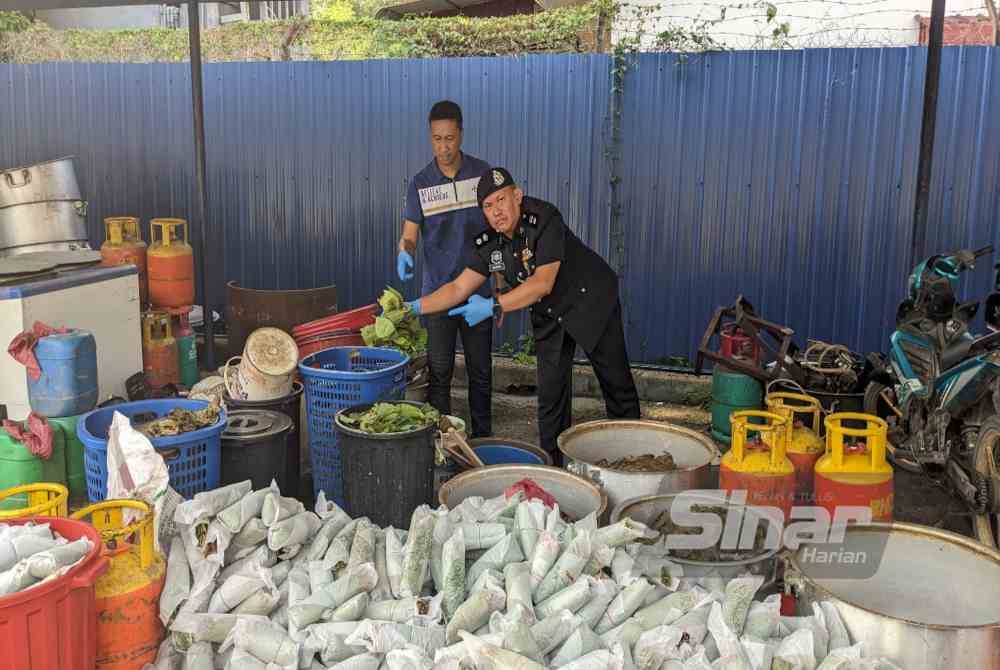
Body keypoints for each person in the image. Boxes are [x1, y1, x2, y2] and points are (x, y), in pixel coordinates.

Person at [407, 167, 640, 462]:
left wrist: (495, 306)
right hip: (550, 312)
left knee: (615, 382)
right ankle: (554, 467)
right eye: (488, 206)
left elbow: (542, 283)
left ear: (517, 196)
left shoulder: (544, 219)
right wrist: (413, 307)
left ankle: (632, 457)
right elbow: (456, 288)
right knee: (550, 394)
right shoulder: (488, 242)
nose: (496, 211)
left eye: (501, 200)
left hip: (589, 299)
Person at [397, 101, 494, 438]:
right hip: (437, 292)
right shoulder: (420, 183)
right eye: (437, 139)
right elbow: (409, 234)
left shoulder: (482, 176)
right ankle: (445, 440)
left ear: (461, 134)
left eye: (450, 138)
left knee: (481, 372)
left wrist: (502, 285)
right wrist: (405, 252)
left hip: (477, 293)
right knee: (440, 372)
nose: (444, 147)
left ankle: (483, 439)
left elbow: (498, 231)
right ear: (430, 137)